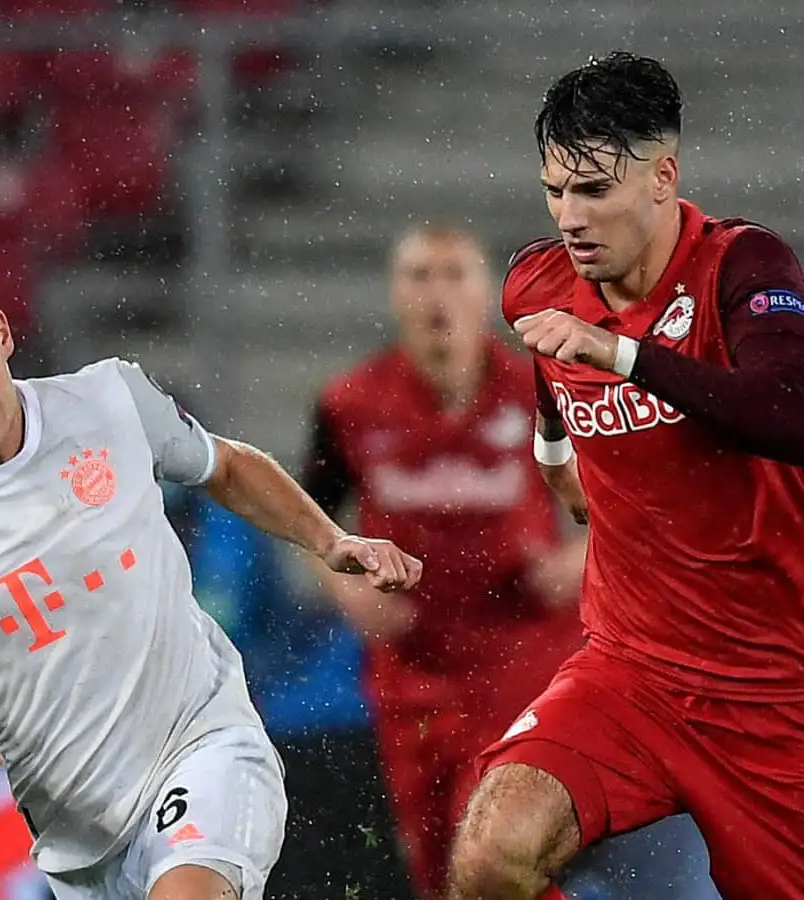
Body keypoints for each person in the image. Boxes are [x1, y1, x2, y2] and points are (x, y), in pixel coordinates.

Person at [0, 246, 423, 900]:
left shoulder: (110, 400)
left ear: (0, 332)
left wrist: (328, 540)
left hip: (201, 746)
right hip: (78, 841)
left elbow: (223, 466)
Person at [446, 53, 804, 900]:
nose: (571, 217)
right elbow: (552, 360)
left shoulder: (745, 267)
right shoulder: (539, 281)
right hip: (630, 670)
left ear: (663, 178)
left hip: (779, 694)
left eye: (594, 191)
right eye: (555, 191)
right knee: (489, 857)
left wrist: (626, 354)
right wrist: (552, 451)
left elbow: (792, 419)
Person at [304, 223, 586, 900]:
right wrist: (346, 590)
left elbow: (626, 502)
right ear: (395, 294)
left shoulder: (541, 393)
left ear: (486, 293)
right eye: (420, 277)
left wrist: (578, 561)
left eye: (455, 275)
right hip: (412, 668)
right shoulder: (350, 404)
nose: (438, 297)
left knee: (488, 849)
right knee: (436, 870)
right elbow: (307, 518)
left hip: (521, 657)